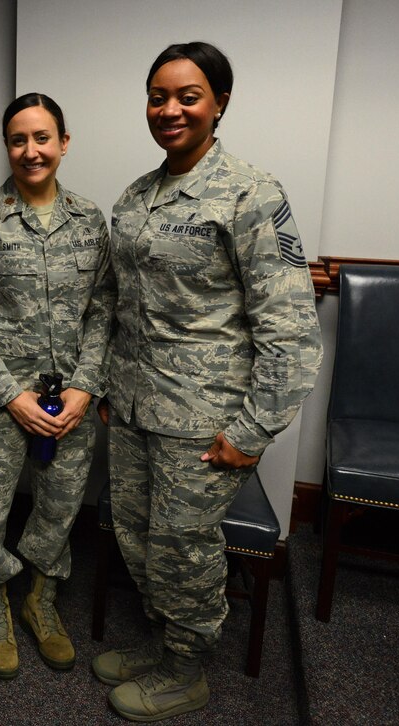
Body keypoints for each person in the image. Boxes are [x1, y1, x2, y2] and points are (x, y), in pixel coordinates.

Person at [93, 42, 322, 722]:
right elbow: (119, 302)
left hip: (203, 417)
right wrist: (110, 388)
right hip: (135, 405)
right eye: (158, 96)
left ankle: (186, 669)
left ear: (220, 102)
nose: (169, 110)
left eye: (187, 96)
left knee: (182, 548)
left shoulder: (252, 194)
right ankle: (165, 641)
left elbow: (291, 329)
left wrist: (251, 434)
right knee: (135, 534)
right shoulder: (136, 195)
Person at [0, 93, 115, 679]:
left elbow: (102, 312)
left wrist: (86, 387)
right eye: (18, 140)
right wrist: (10, 396)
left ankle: (40, 598)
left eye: (42, 138)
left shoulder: (91, 221)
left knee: (61, 504)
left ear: (64, 144)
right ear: (6, 147)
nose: (31, 150)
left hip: (67, 398)